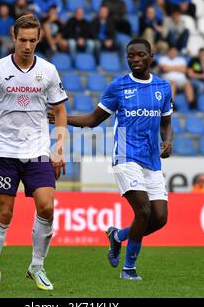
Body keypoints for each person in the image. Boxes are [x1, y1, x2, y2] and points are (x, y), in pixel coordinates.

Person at [0, 14, 67, 291]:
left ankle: (37, 266)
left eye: (32, 40)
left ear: (38, 38)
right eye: (22, 40)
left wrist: (60, 146)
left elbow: (60, 111)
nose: (27, 46)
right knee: (4, 213)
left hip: (38, 151)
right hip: (5, 151)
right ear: (13, 37)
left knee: (47, 206)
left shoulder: (49, 71)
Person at [51, 38, 173, 280]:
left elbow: (166, 122)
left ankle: (117, 236)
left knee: (160, 218)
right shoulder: (118, 86)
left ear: (150, 57)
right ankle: (129, 269)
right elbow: (93, 119)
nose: (135, 59)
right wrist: (60, 119)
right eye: (130, 56)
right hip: (126, 157)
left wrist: (168, 141)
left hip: (152, 161)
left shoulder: (163, 87)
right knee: (144, 211)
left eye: (140, 55)